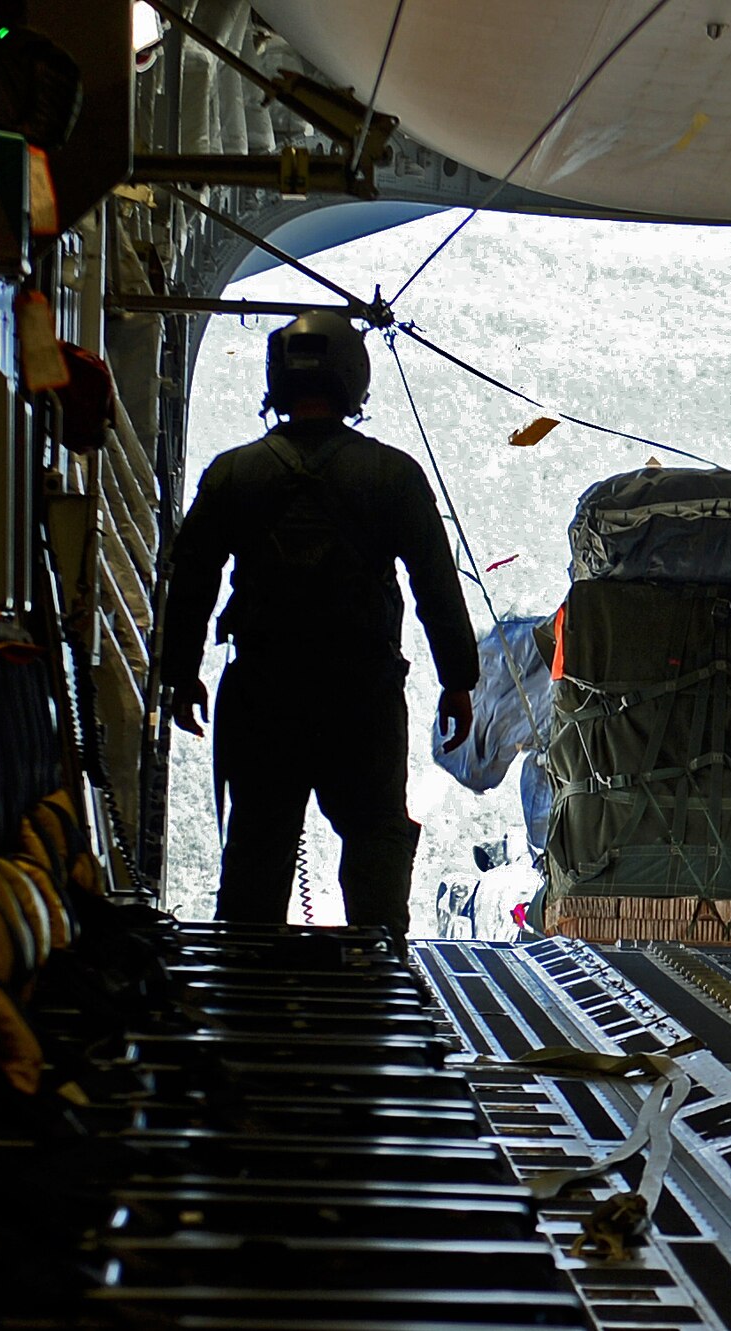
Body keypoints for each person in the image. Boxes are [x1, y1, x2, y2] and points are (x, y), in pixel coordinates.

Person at [160, 310, 478, 942]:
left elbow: (190, 580)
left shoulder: (231, 474)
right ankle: (378, 989)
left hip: (260, 699)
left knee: (254, 854)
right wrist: (458, 682)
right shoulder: (394, 476)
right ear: (353, 380)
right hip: (361, 700)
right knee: (375, 848)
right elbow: (436, 587)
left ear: (277, 379)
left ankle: (242, 1005)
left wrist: (180, 674)